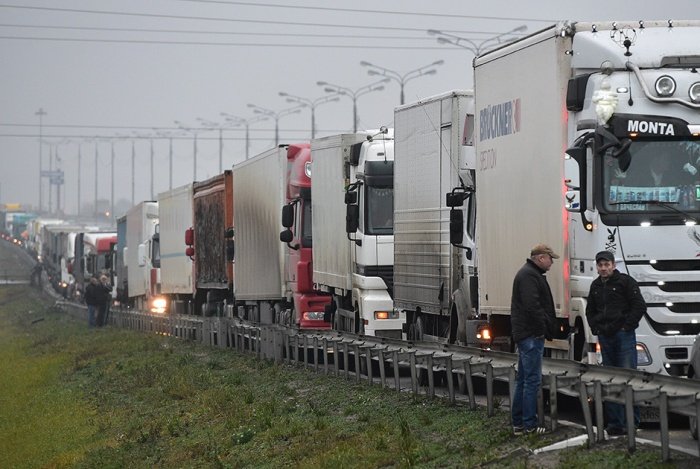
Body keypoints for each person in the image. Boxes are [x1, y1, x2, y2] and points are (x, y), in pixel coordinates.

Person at [585, 250, 646, 436]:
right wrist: (596, 328)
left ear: (613, 265)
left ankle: (631, 423)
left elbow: (639, 306)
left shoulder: (625, 282)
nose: (603, 268)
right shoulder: (595, 286)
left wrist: (626, 327)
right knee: (609, 380)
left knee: (627, 378)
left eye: (606, 265)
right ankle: (615, 423)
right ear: (597, 266)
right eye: (600, 265)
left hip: (623, 336)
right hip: (605, 337)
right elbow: (590, 311)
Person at [511, 243, 558, 435]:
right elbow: (533, 306)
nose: (551, 263)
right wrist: (542, 329)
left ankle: (518, 423)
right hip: (530, 335)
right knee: (531, 381)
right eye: (550, 258)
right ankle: (529, 424)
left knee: (523, 380)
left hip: (525, 334)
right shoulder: (530, 276)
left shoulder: (528, 274)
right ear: (540, 258)